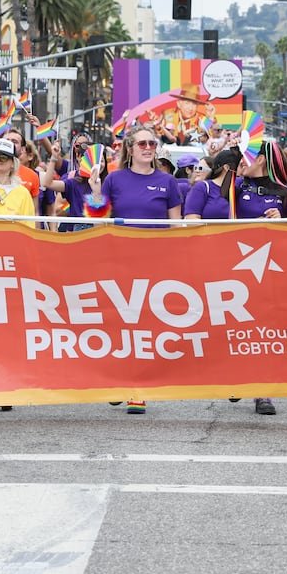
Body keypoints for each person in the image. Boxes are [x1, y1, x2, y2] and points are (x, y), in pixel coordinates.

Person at [85, 125, 182, 415]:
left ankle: (137, 389)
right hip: (120, 260)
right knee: (120, 322)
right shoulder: (114, 179)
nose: (148, 148)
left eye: (152, 143)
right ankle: (120, 378)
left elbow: (176, 226)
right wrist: (95, 192)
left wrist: (176, 260)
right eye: (142, 143)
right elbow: (98, 219)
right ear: (130, 148)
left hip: (155, 262)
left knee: (145, 325)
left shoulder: (168, 182)